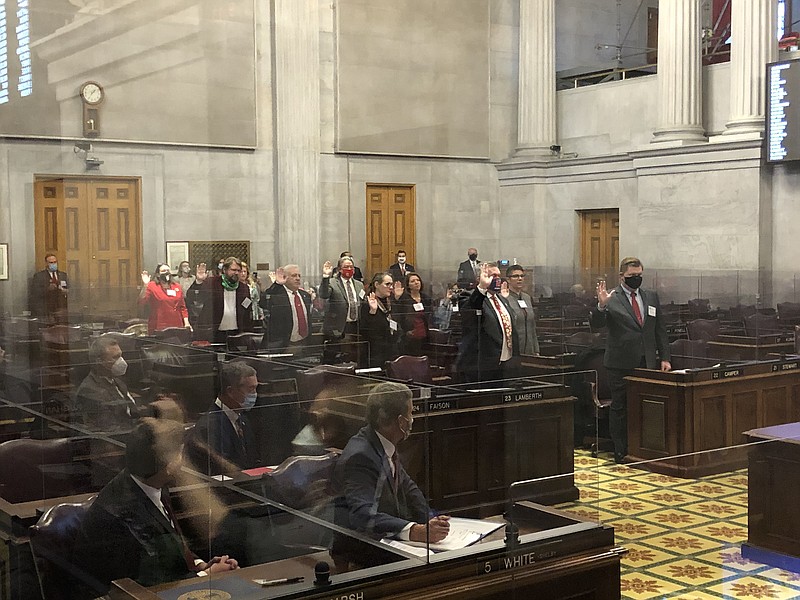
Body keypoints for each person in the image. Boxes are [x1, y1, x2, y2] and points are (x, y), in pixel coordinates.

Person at [76, 418, 239, 593]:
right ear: (168, 466)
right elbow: (150, 584)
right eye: (180, 454)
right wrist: (206, 576)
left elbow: (167, 552)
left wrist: (200, 565)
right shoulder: (123, 515)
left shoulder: (150, 483)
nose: (183, 461)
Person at [332, 382, 449, 565]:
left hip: (387, 536)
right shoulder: (360, 456)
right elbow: (363, 515)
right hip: (365, 544)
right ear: (401, 421)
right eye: (411, 412)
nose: (413, 418)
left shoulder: (383, 444)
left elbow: (409, 489)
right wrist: (414, 531)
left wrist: (431, 519)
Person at [590, 256, 671, 464]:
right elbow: (597, 325)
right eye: (631, 276)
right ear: (621, 276)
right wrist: (601, 306)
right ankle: (621, 450)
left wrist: (665, 357)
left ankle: (643, 447)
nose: (636, 278)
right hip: (620, 362)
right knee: (621, 407)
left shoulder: (650, 296)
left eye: (639, 275)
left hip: (647, 361)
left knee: (647, 406)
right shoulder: (612, 297)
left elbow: (659, 330)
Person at [188, 362, 261, 474]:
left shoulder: (242, 419)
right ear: (230, 391)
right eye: (250, 389)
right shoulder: (210, 426)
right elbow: (220, 470)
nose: (254, 394)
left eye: (255, 388)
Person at [456, 262, 518, 383]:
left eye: (498, 276)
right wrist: (482, 289)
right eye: (493, 276)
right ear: (480, 278)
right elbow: (471, 311)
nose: (497, 279)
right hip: (483, 366)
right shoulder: (469, 297)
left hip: (505, 363)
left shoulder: (500, 298)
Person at [76, 336, 142, 432]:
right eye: (115, 357)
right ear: (99, 361)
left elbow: (132, 412)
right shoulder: (90, 390)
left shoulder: (118, 381)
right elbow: (109, 428)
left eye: (120, 355)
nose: (121, 361)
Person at [196, 257, 254, 344]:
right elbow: (197, 299)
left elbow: (247, 310)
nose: (236, 273)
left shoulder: (244, 288)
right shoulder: (212, 283)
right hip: (215, 332)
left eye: (239, 270)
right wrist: (199, 282)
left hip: (236, 333)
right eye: (233, 270)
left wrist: (247, 333)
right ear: (224, 269)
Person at [259, 264, 312, 352]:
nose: (298, 278)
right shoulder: (278, 294)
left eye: (299, 276)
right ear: (284, 277)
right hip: (283, 345)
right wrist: (277, 284)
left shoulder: (305, 295)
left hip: (304, 343)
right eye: (294, 276)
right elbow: (263, 302)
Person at [319, 257, 364, 363]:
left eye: (351, 267)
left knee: (353, 357)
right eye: (346, 267)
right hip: (337, 327)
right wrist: (326, 276)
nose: (349, 269)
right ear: (339, 269)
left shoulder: (359, 284)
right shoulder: (332, 282)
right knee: (335, 359)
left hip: (354, 326)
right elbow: (324, 294)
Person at [359, 272, 401, 368]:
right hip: (375, 353)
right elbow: (365, 331)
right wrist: (372, 312)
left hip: (392, 349)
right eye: (387, 284)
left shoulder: (392, 302)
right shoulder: (367, 302)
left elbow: (399, 323)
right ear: (377, 285)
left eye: (392, 284)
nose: (391, 287)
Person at [138, 263, 191, 334]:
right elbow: (141, 302)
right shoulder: (152, 286)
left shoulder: (177, 286)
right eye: (163, 270)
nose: (166, 272)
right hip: (159, 325)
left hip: (176, 324)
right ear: (158, 274)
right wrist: (145, 285)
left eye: (168, 270)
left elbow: (182, 307)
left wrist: (186, 323)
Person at [503, 264, 539, 356]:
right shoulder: (503, 298)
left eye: (522, 276)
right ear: (508, 279)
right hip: (512, 350)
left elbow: (532, 326)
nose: (520, 278)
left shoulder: (526, 298)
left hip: (529, 349)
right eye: (515, 276)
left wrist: (536, 349)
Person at [397, 272, 432, 356]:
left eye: (418, 280)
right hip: (410, 337)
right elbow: (400, 317)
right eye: (413, 281)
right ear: (408, 285)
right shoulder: (404, 299)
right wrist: (406, 332)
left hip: (424, 336)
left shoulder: (426, 298)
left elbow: (430, 315)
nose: (416, 282)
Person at [29, 253, 69, 321]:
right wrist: (48, 289)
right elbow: (35, 292)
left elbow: (72, 289)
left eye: (55, 262)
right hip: (46, 309)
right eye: (51, 262)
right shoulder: (39, 276)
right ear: (46, 263)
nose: (53, 264)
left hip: (61, 309)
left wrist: (65, 291)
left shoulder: (63, 275)